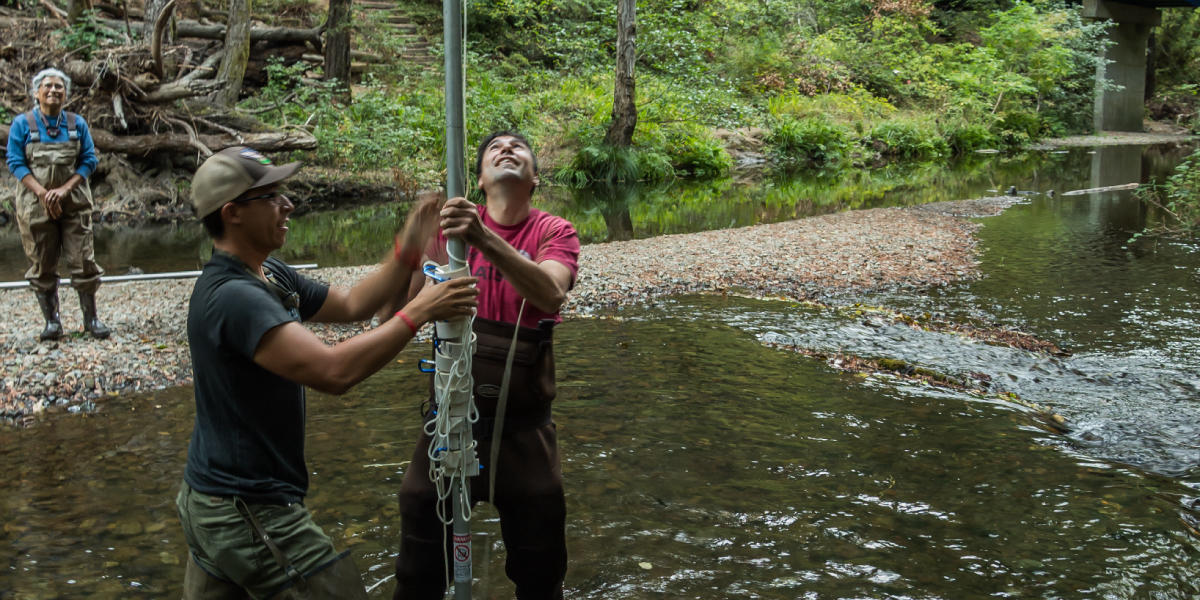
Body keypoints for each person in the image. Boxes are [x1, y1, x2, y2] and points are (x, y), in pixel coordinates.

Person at [175, 146, 478, 599]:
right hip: (248, 512)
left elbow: (354, 305)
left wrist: (410, 244)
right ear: (233, 213)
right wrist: (422, 309)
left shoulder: (268, 274)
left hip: (211, 502)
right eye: (271, 196)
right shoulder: (233, 297)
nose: (288, 205)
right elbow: (334, 372)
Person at [392, 131, 581, 599]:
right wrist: (410, 245)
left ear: (534, 178)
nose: (506, 150)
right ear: (478, 180)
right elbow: (397, 314)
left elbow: (551, 292)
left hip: (524, 429)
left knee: (541, 570)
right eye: (494, 149)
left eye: (519, 148)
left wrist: (482, 237)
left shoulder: (554, 231)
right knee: (418, 538)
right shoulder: (447, 242)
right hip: (448, 423)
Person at [5, 67, 109, 340]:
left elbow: (89, 161)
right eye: (47, 86)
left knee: (83, 259)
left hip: (74, 202)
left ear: (66, 94)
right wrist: (42, 193)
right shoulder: (22, 124)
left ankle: (92, 320)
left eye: (59, 87)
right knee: (41, 262)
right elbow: (15, 162)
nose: (53, 90)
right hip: (34, 204)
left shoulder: (77, 124)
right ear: (36, 93)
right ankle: (52, 323)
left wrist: (63, 190)